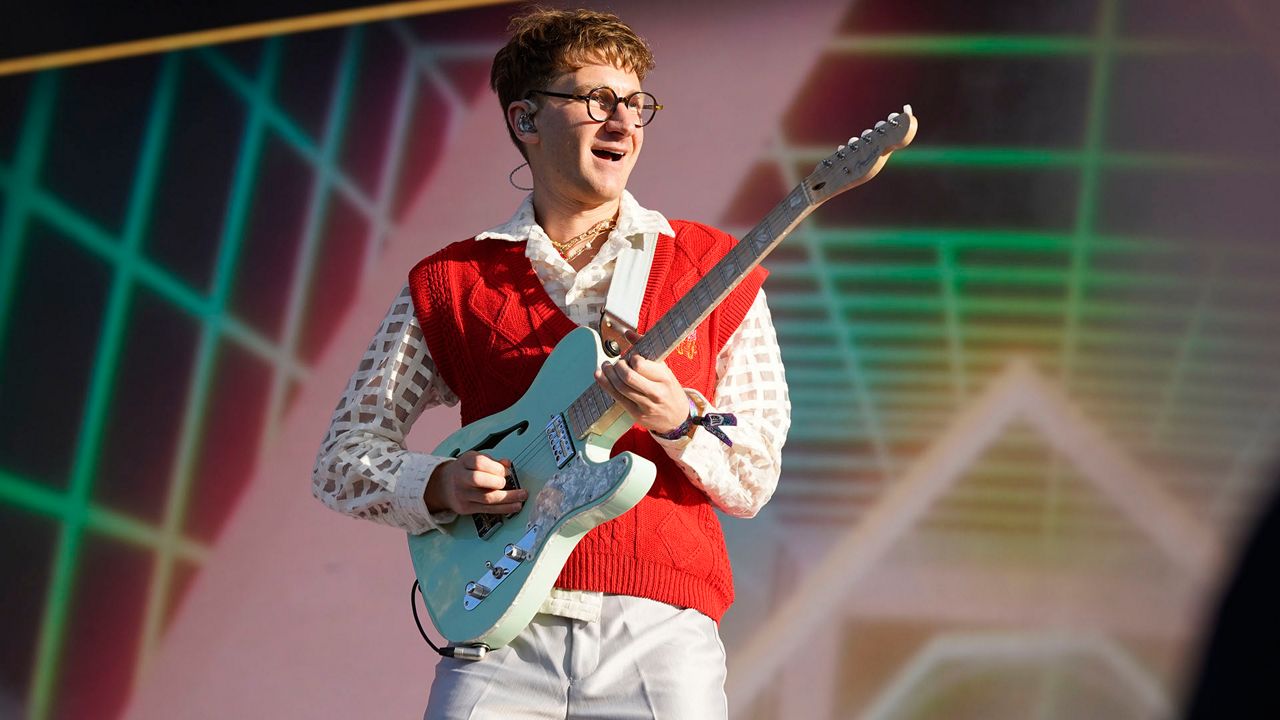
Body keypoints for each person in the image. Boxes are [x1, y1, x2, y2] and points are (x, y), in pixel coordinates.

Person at [312, 7, 790, 718]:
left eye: (634, 104)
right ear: (526, 119)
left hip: (658, 633)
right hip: (499, 628)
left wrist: (680, 420)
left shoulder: (713, 266)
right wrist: (439, 483)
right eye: (595, 99)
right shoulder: (451, 281)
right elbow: (342, 458)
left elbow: (754, 475)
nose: (622, 122)